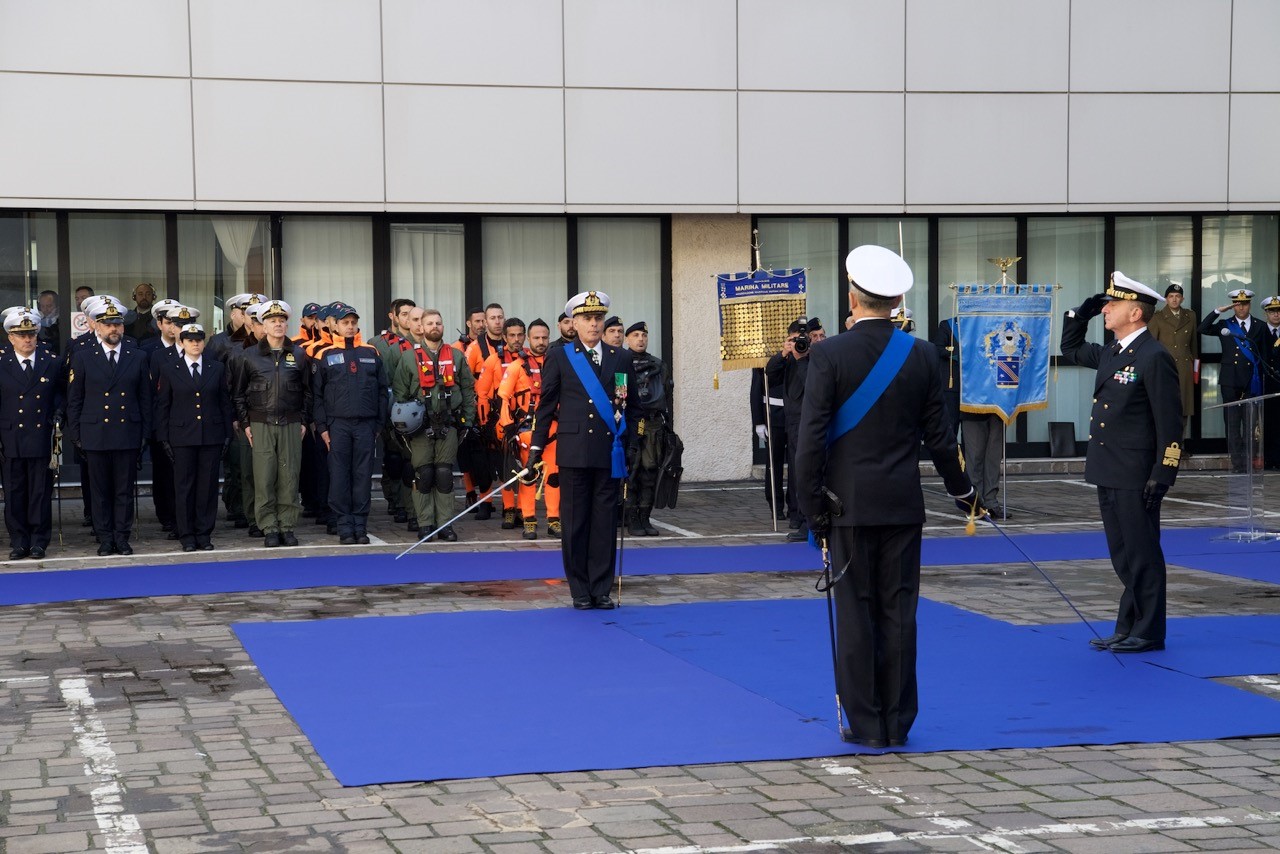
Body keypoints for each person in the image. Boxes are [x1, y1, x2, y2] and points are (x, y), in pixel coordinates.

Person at [794, 245, 977, 748]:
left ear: (853, 298)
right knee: (899, 613)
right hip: (902, 505)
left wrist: (813, 509)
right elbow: (940, 439)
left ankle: (866, 722)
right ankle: (898, 720)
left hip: (845, 506)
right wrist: (966, 494)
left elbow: (809, 440)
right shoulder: (922, 354)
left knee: (856, 615)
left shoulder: (828, 354)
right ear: (897, 300)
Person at [1060, 272, 1182, 653]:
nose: (1106, 309)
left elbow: (1170, 422)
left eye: (1112, 304)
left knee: (1143, 553)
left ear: (1135, 312)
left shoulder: (1154, 356)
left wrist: (1163, 473)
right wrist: (1082, 312)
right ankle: (1128, 624)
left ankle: (1149, 631)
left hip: (1136, 472)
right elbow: (1070, 348)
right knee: (1123, 554)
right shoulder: (1113, 352)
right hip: (1108, 468)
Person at [528, 290, 639, 610]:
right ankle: (579, 588)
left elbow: (628, 404)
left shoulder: (621, 358)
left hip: (609, 451)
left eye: (598, 318)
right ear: (573, 323)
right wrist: (536, 446)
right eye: (587, 319)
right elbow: (546, 405)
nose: (593, 324)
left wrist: (632, 443)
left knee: (605, 523)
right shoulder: (561, 356)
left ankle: (601, 588)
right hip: (574, 451)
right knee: (575, 523)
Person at [66, 299, 153, 556]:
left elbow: (145, 398)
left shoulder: (136, 356)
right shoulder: (82, 357)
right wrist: (77, 436)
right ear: (97, 328)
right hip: (95, 434)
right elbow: (75, 400)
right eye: (107, 324)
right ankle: (105, 537)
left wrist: (145, 434)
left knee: (124, 490)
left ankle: (122, 536)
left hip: (127, 433)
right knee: (100, 491)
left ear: (123, 328)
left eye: (117, 324)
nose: (113, 328)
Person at [232, 300, 312, 548]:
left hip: (290, 423)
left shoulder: (298, 355)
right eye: (272, 321)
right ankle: (268, 527)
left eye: (281, 320)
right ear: (262, 326)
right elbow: (238, 393)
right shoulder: (248, 356)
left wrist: (304, 421)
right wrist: (245, 423)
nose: (278, 324)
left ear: (286, 324)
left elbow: (308, 392)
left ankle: (287, 526)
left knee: (289, 476)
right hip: (260, 424)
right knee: (264, 478)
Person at [392, 308, 476, 542]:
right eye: (429, 323)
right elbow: (399, 392)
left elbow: (468, 390)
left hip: (449, 424)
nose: (434, 327)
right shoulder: (409, 357)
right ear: (421, 328)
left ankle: (445, 525)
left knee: (444, 474)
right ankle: (425, 524)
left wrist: (468, 420)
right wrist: (402, 424)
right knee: (423, 475)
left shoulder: (457, 356)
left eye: (438, 323)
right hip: (419, 427)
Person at [311, 304, 389, 545]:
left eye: (353, 322)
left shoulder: (371, 352)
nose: (350, 326)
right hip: (338, 426)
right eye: (345, 322)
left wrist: (378, 424)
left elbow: (382, 392)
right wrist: (323, 428)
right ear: (335, 325)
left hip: (365, 426)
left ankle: (360, 525)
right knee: (339, 477)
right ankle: (344, 525)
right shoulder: (324, 354)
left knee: (363, 476)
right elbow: (317, 396)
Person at [154, 323, 233, 552]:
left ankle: (204, 533)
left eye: (198, 339)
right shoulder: (170, 369)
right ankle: (186, 534)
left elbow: (224, 403)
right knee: (184, 487)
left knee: (207, 488)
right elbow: (163, 405)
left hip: (211, 435)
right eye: (189, 339)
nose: (195, 343)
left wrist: (227, 433)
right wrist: (164, 438)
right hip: (182, 437)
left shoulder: (216, 368)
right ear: (182, 342)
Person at [0, 310, 64, 559]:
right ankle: (19, 541)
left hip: (41, 436)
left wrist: (59, 413)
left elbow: (61, 394)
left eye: (31, 334)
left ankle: (38, 540)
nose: (28, 340)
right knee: (15, 493)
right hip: (11, 438)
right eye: (21, 335)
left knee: (40, 492)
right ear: (10, 338)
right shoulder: (3, 364)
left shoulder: (52, 361)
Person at [497, 318, 561, 540]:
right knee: (528, 476)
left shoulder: (558, 363)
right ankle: (529, 521)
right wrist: (507, 427)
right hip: (526, 430)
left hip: (554, 430)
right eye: (536, 337)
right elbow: (503, 398)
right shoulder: (516, 367)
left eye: (544, 337)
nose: (541, 341)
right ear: (528, 339)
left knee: (554, 476)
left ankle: (554, 520)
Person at [766, 316, 825, 541]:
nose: (816, 341)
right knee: (798, 471)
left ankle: (808, 519)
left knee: (809, 471)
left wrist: (802, 359)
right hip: (794, 421)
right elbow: (770, 375)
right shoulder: (791, 357)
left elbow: (812, 385)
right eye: (812, 337)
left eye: (821, 336)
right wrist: (785, 353)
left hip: (812, 420)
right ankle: (799, 517)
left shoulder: (821, 358)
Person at [1198, 288, 1269, 473]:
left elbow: (1265, 354)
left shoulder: (1260, 326)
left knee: (1250, 423)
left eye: (1244, 304)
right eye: (1237, 304)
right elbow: (1202, 328)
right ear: (1233, 306)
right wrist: (1217, 311)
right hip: (1230, 379)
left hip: (1250, 380)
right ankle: (1238, 464)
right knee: (1232, 422)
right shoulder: (1225, 324)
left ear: (1249, 304)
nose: (1241, 308)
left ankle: (1249, 461)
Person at [476, 317, 527, 528]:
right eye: (512, 335)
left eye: (519, 335)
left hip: (525, 420)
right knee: (507, 468)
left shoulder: (530, 360)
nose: (516, 339)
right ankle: (508, 508)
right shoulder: (493, 360)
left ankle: (524, 510)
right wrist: (484, 423)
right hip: (502, 421)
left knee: (526, 467)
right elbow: (481, 393)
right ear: (504, 337)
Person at [623, 321, 673, 537]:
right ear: (627, 339)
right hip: (630, 423)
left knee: (650, 472)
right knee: (632, 471)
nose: (640, 339)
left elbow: (666, 395)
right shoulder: (621, 362)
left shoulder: (658, 365)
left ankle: (645, 516)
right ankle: (632, 517)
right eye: (635, 335)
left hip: (653, 424)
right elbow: (619, 395)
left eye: (644, 335)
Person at [1147, 282, 1198, 440]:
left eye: (1177, 296)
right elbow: (1151, 345)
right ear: (1166, 299)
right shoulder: (1157, 317)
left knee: (1183, 408)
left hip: (1184, 367)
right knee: (1165, 407)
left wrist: (1195, 368)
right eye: (1171, 296)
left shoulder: (1190, 316)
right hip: (1165, 367)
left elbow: (1194, 344)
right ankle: (1164, 446)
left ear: (1182, 299)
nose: (1174, 299)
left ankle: (1179, 446)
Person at [749, 366, 787, 521]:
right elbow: (756, 391)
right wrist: (758, 421)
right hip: (773, 414)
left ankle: (796, 506)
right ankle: (776, 505)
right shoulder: (765, 360)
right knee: (774, 463)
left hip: (796, 414)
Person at [1261, 295, 1280, 470]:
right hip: (1266, 383)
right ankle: (1268, 459)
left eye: (1278, 311)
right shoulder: (1260, 331)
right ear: (1266, 313)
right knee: (1268, 422)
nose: (1276, 315)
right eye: (1272, 311)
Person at [36, 290, 59, 355]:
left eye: (49, 306)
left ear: (57, 305)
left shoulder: (64, 321)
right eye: (42, 306)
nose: (45, 309)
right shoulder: (38, 323)